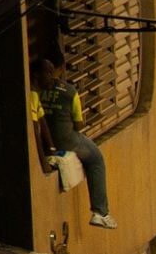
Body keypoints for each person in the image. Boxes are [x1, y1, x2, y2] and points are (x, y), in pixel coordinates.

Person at [29, 57, 114, 228]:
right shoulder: (69, 91)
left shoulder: (37, 92)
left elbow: (42, 120)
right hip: (67, 139)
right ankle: (100, 212)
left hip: (52, 142)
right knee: (96, 158)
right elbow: (78, 124)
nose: (53, 76)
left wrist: (51, 146)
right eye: (49, 72)